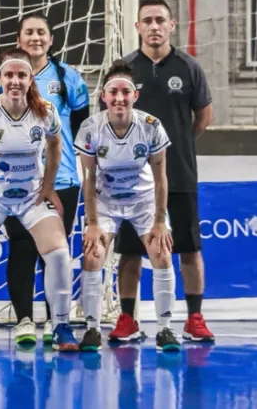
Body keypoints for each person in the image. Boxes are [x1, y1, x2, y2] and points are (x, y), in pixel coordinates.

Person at [0, 49, 78, 353]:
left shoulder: (45, 111)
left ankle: (61, 325)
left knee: (59, 255)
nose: (15, 81)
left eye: (22, 75)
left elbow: (56, 143)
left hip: (31, 197)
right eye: (9, 75)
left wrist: (48, 186)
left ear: (31, 79)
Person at [108, 0, 214, 343]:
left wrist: (170, 148)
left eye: (160, 20)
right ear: (137, 27)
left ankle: (195, 317)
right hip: (130, 179)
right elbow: (108, 116)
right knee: (130, 250)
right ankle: (127, 318)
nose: (154, 26)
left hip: (180, 174)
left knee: (188, 247)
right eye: (147, 21)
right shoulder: (124, 68)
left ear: (171, 26)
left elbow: (203, 118)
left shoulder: (189, 67)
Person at [74, 61, 180, 352]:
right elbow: (88, 178)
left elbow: (161, 178)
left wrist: (160, 221)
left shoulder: (150, 126)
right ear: (104, 97)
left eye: (125, 92)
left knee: (161, 252)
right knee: (93, 255)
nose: (119, 98)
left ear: (135, 96)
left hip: (143, 199)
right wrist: (92, 223)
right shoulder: (90, 129)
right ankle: (93, 329)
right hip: (106, 199)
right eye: (113, 92)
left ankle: (165, 329)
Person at [6, 12, 91, 346]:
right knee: (22, 248)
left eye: (42, 32)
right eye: (29, 32)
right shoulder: (8, 75)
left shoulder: (68, 76)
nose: (35, 38)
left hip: (62, 180)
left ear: (51, 39)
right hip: (16, 180)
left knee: (54, 252)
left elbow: (82, 129)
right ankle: (24, 321)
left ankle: (59, 323)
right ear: (19, 39)